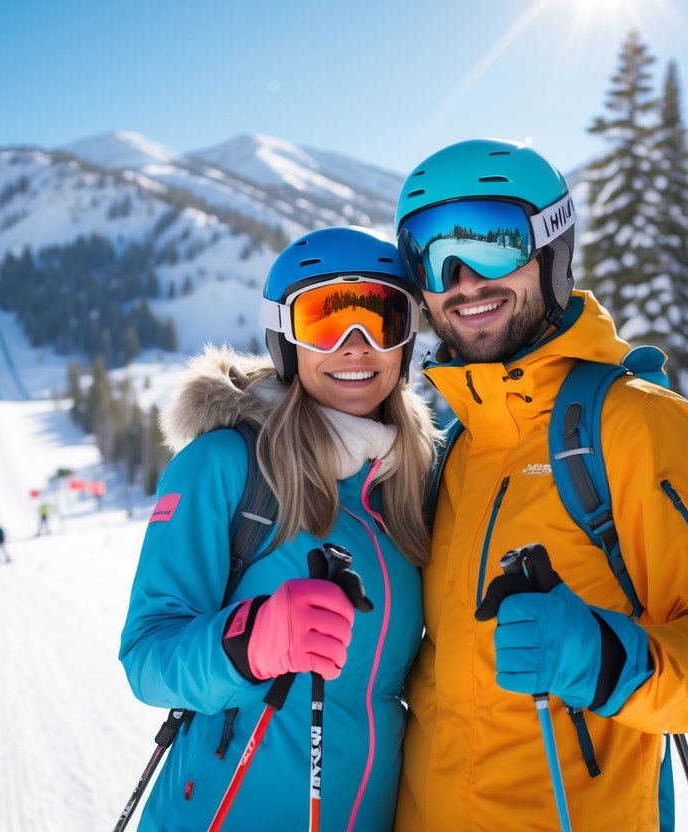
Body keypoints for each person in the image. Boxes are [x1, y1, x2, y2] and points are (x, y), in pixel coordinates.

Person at [390, 139, 688, 831]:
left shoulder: (636, 425)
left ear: (552, 249)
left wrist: (606, 662)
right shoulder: (454, 450)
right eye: (430, 251)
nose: (462, 278)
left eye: (492, 239)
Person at [120, 226, 438, 831]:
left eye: (381, 317)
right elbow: (147, 657)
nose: (355, 345)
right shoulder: (227, 465)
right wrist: (249, 641)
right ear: (285, 338)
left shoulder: (411, 481)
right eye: (324, 320)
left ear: (405, 341)